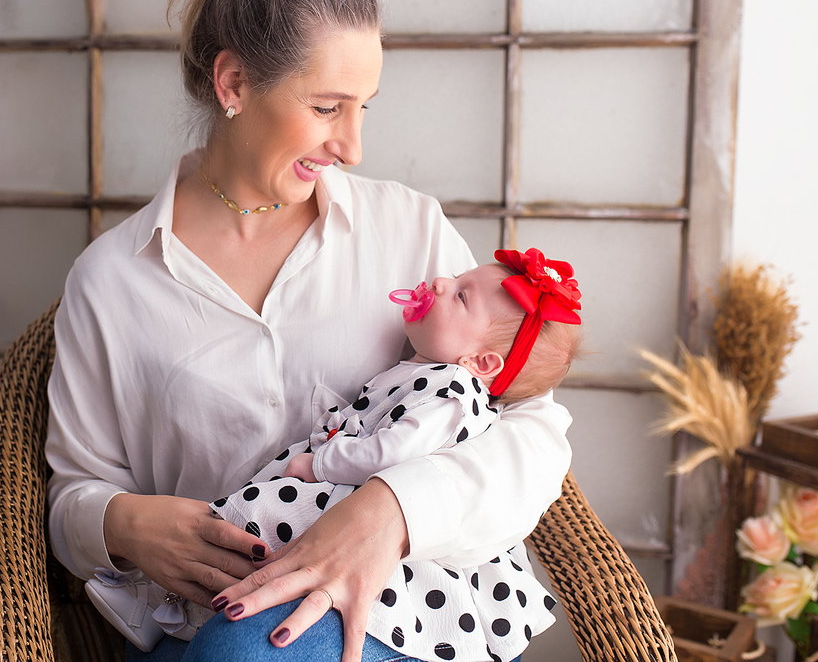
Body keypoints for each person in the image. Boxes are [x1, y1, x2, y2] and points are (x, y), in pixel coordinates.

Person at [44, 0, 573, 662]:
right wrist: (120, 523)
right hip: (211, 625)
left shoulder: (407, 229)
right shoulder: (110, 282)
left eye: (365, 108)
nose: (352, 145)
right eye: (328, 107)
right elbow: (70, 493)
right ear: (233, 86)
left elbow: (533, 430)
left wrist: (391, 510)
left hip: (406, 615)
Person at [84, 250, 582, 662]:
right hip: (339, 498)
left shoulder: (452, 387)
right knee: (230, 539)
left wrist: (323, 462)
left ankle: (154, 606)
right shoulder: (423, 370)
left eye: (461, 294)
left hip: (377, 529)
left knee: (254, 528)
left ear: (481, 363)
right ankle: (163, 607)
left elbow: (396, 451)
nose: (440, 278)